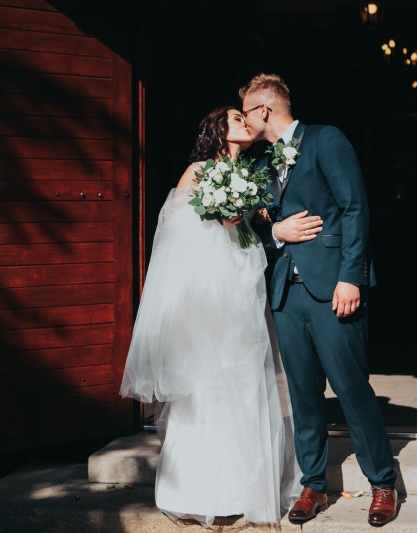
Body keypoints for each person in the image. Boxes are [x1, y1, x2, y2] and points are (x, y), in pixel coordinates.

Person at [119, 105, 302, 528]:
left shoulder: (253, 173)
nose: (244, 121)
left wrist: (253, 220)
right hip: (206, 296)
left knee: (243, 383)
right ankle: (198, 491)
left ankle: (241, 489)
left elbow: (252, 233)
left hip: (242, 290)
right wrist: (221, 218)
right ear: (218, 129)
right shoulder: (198, 171)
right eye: (236, 117)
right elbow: (175, 238)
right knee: (207, 387)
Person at [240, 73, 399, 527]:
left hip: (333, 288)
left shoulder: (326, 139)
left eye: (246, 112)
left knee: (350, 388)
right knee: (303, 394)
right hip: (286, 293)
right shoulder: (261, 162)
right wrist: (275, 230)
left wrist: (351, 278)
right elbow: (253, 225)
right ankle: (313, 483)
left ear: (264, 109)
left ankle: (382, 482)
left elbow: (354, 208)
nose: (244, 121)